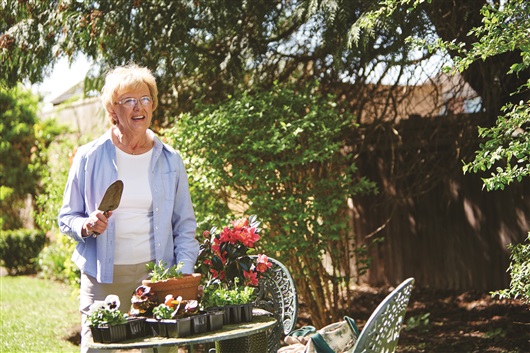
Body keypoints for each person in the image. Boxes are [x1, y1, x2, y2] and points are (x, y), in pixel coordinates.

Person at [58, 63, 199, 353]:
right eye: (129, 101)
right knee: (98, 347)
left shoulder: (170, 159)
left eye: (145, 99)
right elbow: (67, 217)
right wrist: (86, 225)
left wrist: (183, 271)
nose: (139, 106)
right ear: (113, 111)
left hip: (156, 276)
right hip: (103, 276)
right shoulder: (88, 157)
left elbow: (184, 224)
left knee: (161, 349)